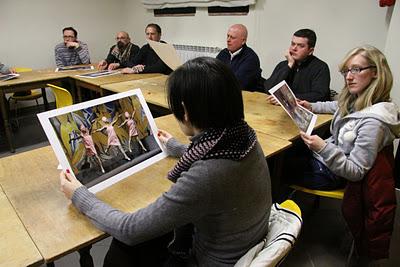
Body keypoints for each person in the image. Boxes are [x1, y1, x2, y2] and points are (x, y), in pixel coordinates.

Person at [60, 57, 271, 266]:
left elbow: (129, 229)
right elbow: (217, 157)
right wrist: (177, 147)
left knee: (124, 247)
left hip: (210, 261)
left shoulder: (206, 174)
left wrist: (79, 195)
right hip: (242, 241)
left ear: (185, 111)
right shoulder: (244, 135)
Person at [295, 46, 399, 264]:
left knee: (277, 166)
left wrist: (323, 147)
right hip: (328, 159)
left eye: (356, 69)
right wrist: (311, 106)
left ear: (376, 72)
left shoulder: (373, 123)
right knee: (289, 154)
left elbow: (356, 172)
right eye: (346, 71)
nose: (349, 77)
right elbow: (338, 106)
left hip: (335, 173)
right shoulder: (359, 99)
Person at [264, 29, 330, 103]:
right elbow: (268, 89)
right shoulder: (284, 65)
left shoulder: (320, 67)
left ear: (310, 51)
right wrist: (289, 66)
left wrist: (288, 98)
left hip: (306, 110)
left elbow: (320, 95)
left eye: (300, 46)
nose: (294, 48)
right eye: (293, 44)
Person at [216, 24, 264, 91]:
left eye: (232, 37)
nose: (228, 40)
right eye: (228, 36)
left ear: (243, 41)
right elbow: (213, 75)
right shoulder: (223, 53)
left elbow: (237, 84)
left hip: (244, 96)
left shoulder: (251, 58)